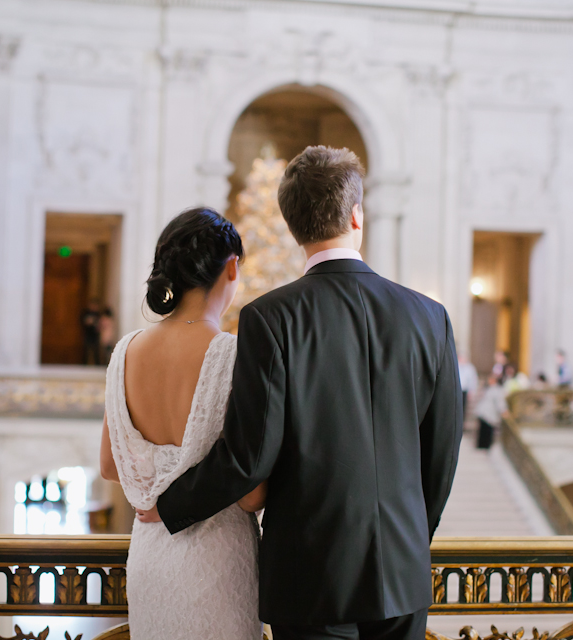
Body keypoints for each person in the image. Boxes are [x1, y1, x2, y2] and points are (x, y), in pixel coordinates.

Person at [143, 146, 463, 640]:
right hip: (402, 572)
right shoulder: (430, 317)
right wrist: (411, 540)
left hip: (308, 576)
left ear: (292, 226)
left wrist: (169, 505)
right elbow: (441, 456)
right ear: (357, 215)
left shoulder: (269, 318)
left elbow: (249, 456)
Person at [99, 208, 262, 639]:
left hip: (150, 560)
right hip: (219, 562)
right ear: (231, 268)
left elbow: (110, 466)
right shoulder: (234, 354)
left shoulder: (126, 351)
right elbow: (252, 495)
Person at [475, 373, 508, 450]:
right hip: (484, 413)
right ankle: (482, 446)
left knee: (487, 432)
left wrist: (503, 411)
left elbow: (500, 402)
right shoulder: (489, 389)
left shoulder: (497, 390)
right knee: (483, 432)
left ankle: (485, 446)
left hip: (489, 414)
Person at [458, 353, 479, 429]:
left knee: (462, 408)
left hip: (464, 391)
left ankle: (461, 425)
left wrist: (472, 391)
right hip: (457, 390)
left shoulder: (470, 368)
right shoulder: (456, 365)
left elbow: (473, 381)